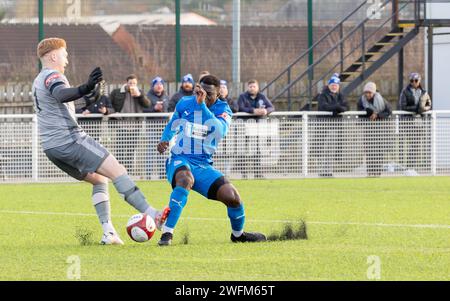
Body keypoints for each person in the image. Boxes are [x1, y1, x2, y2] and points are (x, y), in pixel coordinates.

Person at [32, 37, 169, 245]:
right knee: (118, 170)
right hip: (70, 140)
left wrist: (87, 99)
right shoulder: (52, 75)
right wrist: (84, 87)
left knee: (99, 179)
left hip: (52, 148)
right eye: (64, 54)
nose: (67, 58)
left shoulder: (38, 80)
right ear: (53, 55)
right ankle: (154, 215)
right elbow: (60, 94)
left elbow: (59, 107)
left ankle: (109, 232)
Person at [157, 74, 267, 246]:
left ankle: (238, 235)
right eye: (201, 91)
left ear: (218, 95)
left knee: (233, 197)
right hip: (179, 158)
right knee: (185, 179)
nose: (204, 96)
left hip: (202, 165)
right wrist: (165, 139)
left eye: (209, 94)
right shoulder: (185, 102)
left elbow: (218, 132)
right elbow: (173, 124)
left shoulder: (224, 109)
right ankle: (167, 234)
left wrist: (202, 107)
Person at [109, 74, 150, 173]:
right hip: (121, 125)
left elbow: (147, 104)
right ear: (126, 83)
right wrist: (114, 114)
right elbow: (110, 104)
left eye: (134, 83)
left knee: (131, 150)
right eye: (130, 83)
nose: (132, 85)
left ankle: (129, 172)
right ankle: (119, 171)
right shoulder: (117, 92)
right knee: (120, 149)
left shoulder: (140, 93)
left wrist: (140, 96)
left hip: (135, 126)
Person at [237, 79, 275, 179]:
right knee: (244, 150)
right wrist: (253, 111)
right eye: (250, 86)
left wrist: (265, 111)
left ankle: (257, 173)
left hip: (258, 128)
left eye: (254, 86)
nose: (252, 88)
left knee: (258, 150)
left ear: (257, 87)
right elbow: (240, 108)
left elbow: (271, 107)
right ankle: (244, 173)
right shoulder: (242, 97)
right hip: (245, 127)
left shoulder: (262, 96)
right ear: (247, 87)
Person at [316, 74, 349, 177]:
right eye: (333, 85)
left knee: (331, 149)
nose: (334, 87)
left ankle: (328, 171)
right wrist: (337, 107)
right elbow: (323, 106)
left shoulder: (340, 95)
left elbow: (346, 106)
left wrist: (337, 109)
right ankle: (321, 171)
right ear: (329, 85)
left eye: (336, 85)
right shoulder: (323, 95)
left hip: (335, 126)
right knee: (322, 149)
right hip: (323, 126)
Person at [398, 72, 432, 171]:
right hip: (408, 120)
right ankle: (408, 167)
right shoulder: (405, 91)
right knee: (410, 143)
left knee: (416, 144)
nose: (414, 83)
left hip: (419, 121)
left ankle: (412, 166)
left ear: (419, 81)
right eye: (412, 81)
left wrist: (424, 109)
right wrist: (416, 109)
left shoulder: (424, 92)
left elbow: (429, 104)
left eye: (416, 80)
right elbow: (403, 106)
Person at [357, 82, 392, 177]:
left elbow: (389, 111)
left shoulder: (382, 100)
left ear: (373, 92)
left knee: (379, 150)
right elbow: (359, 114)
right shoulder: (361, 101)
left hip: (380, 129)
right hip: (368, 129)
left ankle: (377, 172)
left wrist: (377, 115)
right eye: (366, 92)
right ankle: (370, 172)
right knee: (369, 150)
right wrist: (368, 113)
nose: (367, 95)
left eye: (369, 92)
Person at [144, 76, 169, 179]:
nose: (159, 86)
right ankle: (148, 175)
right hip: (152, 128)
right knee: (150, 151)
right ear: (153, 86)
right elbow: (144, 110)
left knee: (163, 151)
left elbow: (170, 108)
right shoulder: (148, 97)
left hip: (163, 128)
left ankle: (162, 175)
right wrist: (154, 108)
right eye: (157, 84)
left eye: (161, 84)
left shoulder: (166, 96)